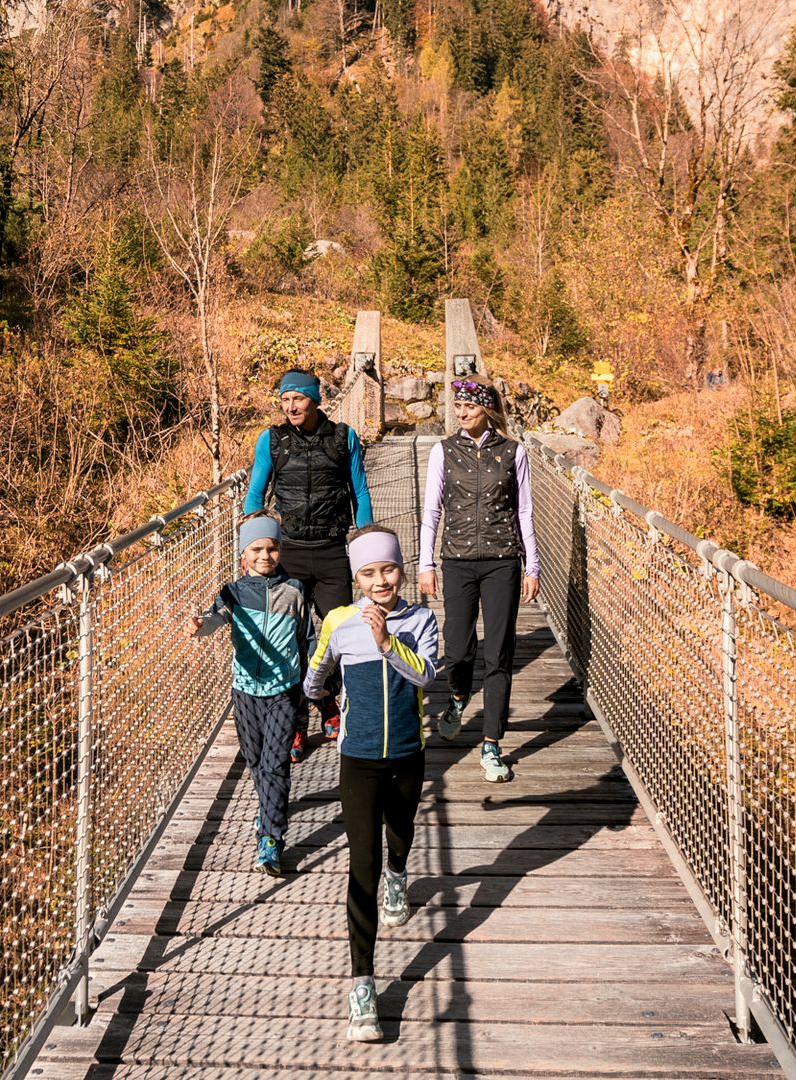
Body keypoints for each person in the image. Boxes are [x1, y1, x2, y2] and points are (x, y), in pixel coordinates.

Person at [303, 525, 441, 1043]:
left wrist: (386, 643)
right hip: (357, 759)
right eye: (368, 573)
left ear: (401, 569)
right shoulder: (339, 622)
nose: (380, 580)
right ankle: (362, 983)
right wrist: (323, 695)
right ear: (355, 578)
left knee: (400, 833)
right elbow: (315, 675)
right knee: (361, 866)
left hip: (407, 753)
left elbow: (427, 675)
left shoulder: (421, 619)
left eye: (388, 568)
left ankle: (398, 876)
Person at [244, 368, 376, 760]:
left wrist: (368, 545)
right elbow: (255, 494)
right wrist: (253, 549)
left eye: (297, 399)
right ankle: (297, 724)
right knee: (291, 642)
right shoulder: (272, 440)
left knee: (339, 635)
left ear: (315, 400)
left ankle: (328, 698)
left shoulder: (343, 437)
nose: (290, 407)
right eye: (284, 400)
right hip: (290, 554)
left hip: (333, 551)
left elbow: (360, 491)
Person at [417, 379, 539, 784]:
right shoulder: (443, 451)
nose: (461, 412)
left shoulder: (513, 452)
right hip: (456, 561)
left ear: (487, 410)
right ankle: (457, 696)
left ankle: (491, 743)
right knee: (457, 647)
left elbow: (524, 511)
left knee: (499, 653)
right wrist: (426, 563)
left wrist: (533, 566)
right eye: (458, 406)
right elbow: (432, 510)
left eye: (469, 406)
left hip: (502, 561)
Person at [186, 514, 310, 877]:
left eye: (272, 548)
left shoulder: (295, 591)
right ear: (243, 554)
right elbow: (214, 618)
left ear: (280, 550)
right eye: (256, 549)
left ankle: (271, 838)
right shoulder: (233, 593)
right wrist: (199, 625)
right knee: (255, 760)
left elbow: (305, 636)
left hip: (283, 691)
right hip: (244, 691)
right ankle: (268, 806)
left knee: (275, 764)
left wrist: (310, 680)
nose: (265, 556)